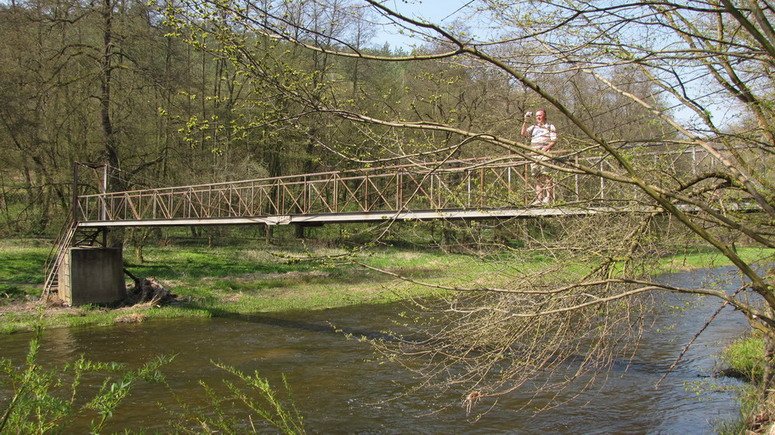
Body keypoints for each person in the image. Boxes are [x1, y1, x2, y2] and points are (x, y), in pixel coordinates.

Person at [520, 109, 557, 205]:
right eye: (536, 116)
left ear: (545, 116)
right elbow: (523, 133)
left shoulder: (550, 126)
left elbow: (554, 140)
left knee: (547, 175)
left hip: (545, 154)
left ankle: (548, 198)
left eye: (540, 115)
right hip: (534, 155)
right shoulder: (533, 127)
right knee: (537, 177)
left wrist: (546, 148)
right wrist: (526, 120)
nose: (538, 117)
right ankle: (539, 198)